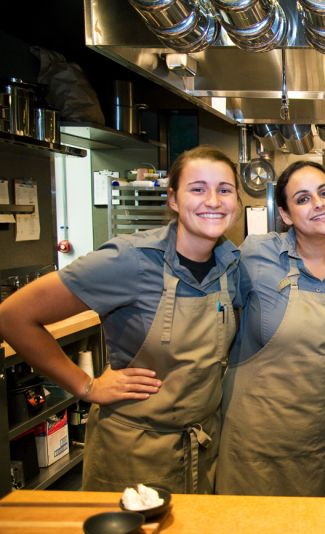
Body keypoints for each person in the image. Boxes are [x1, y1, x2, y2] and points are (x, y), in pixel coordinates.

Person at [0, 145, 242, 493]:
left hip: (202, 451)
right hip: (131, 454)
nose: (214, 201)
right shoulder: (130, 259)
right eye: (198, 188)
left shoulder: (230, 264)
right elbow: (13, 316)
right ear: (173, 199)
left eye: (224, 189)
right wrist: (86, 386)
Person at [216, 160, 325, 496]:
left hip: (319, 447)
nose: (318, 204)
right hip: (252, 447)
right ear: (284, 214)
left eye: (324, 193)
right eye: (302, 199)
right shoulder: (256, 255)